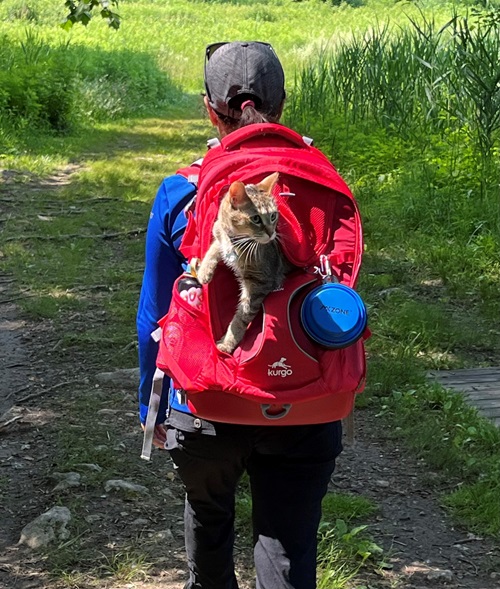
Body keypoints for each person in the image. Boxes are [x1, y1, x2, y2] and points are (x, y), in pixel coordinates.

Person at [137, 41, 343, 589]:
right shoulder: (317, 183)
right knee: (289, 547)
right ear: (281, 105)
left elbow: (154, 311)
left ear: (209, 107)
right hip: (304, 401)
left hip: (206, 400)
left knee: (210, 525)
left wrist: (148, 402)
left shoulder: (181, 189)